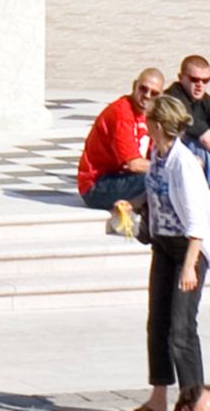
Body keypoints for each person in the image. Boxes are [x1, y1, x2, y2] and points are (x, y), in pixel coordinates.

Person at [147, 91, 207, 411]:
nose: (145, 125)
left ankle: (196, 401)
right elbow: (156, 190)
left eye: (149, 121)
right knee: (157, 323)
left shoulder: (184, 163)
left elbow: (198, 218)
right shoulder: (157, 156)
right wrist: (135, 205)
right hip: (163, 245)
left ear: (158, 125)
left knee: (181, 328)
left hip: (188, 249)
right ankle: (158, 398)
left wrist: (189, 266)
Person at [87, 71, 167, 229]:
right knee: (161, 175)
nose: (147, 95)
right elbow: (134, 164)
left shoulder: (150, 114)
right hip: (97, 185)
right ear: (134, 86)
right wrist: (172, 166)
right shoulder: (122, 113)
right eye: (143, 89)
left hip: (123, 178)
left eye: (154, 93)